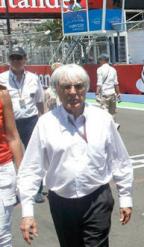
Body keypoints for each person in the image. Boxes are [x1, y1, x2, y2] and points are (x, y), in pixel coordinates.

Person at [17, 64, 133, 247]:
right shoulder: (45, 123)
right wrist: (27, 212)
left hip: (97, 198)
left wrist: (125, 197)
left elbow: (120, 159)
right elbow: (31, 168)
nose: (73, 92)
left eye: (78, 86)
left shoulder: (102, 119)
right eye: (66, 87)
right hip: (61, 203)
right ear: (56, 90)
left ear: (86, 88)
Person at [0, 47, 45, 203]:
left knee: (34, 156)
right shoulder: (2, 78)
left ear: (25, 59)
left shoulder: (34, 78)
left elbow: (39, 101)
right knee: (11, 158)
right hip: (9, 123)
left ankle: (37, 190)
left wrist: (43, 120)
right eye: (13, 58)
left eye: (19, 58)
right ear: (9, 60)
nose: (16, 61)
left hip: (31, 121)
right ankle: (12, 190)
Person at [0, 84, 24, 247]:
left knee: (2, 235)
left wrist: (22, 177)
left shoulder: (2, 95)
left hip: (2, 170)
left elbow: (13, 137)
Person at [96, 54, 120, 122]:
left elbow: (99, 83)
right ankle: (114, 126)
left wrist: (97, 93)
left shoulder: (100, 69)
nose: (99, 61)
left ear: (103, 60)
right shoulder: (113, 69)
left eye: (100, 60)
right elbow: (116, 83)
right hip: (112, 93)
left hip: (104, 94)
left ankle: (107, 128)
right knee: (113, 113)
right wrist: (118, 94)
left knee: (104, 112)